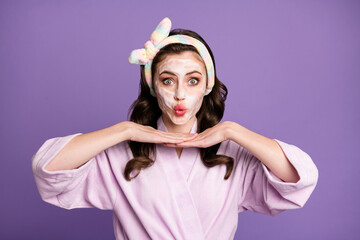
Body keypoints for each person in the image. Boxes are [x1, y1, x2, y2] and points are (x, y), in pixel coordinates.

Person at [32, 17, 318, 240]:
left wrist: (232, 130)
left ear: (207, 86)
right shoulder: (125, 154)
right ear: (153, 87)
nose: (180, 94)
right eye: (168, 80)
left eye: (192, 80)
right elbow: (49, 169)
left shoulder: (231, 154)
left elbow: (297, 178)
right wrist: (123, 131)